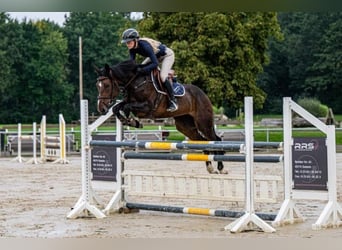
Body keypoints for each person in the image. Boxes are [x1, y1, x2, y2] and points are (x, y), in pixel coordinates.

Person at [121, 28, 178, 112]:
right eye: (126, 42)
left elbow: (155, 64)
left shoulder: (145, 46)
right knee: (141, 67)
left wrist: (143, 70)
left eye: (129, 42)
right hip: (156, 56)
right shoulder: (132, 49)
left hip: (167, 55)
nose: (127, 44)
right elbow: (132, 63)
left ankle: (173, 101)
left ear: (135, 40)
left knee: (162, 76)